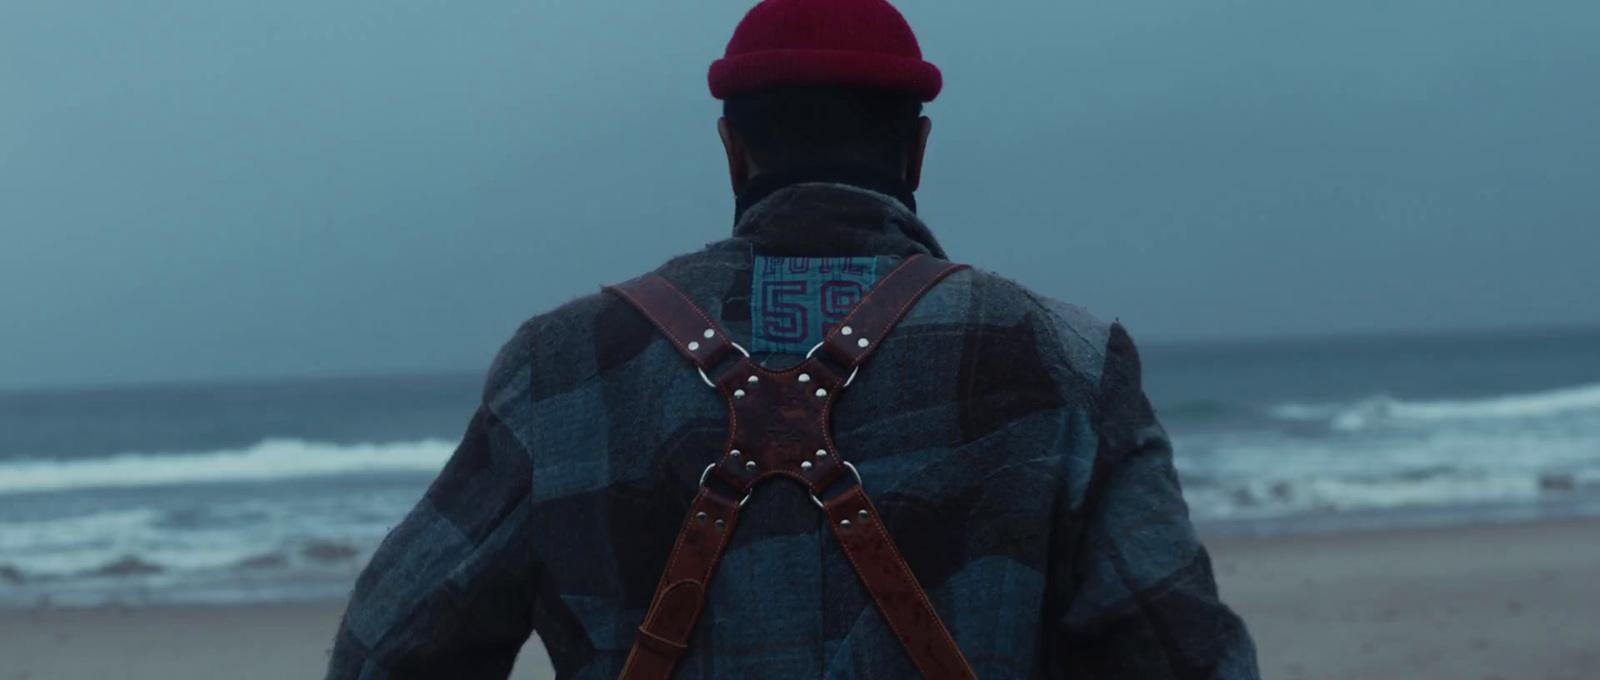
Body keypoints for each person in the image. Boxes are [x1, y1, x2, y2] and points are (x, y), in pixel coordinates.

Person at [325, 0, 1259, 677]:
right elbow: (1181, 655)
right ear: (918, 150)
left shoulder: (561, 364)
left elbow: (386, 652)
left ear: (731, 148)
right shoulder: (1064, 359)